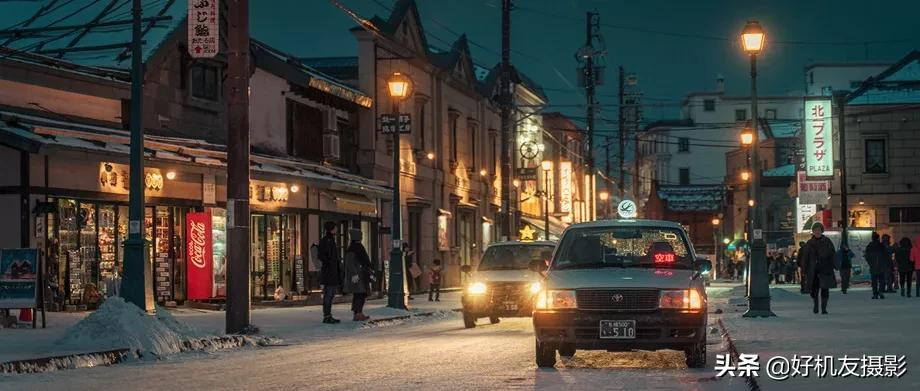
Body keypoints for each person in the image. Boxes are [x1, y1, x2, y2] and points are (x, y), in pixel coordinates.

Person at [802, 222, 836, 314]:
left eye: (819, 230)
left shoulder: (827, 242)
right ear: (813, 232)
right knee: (814, 290)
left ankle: (824, 308)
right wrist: (804, 269)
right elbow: (805, 257)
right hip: (814, 270)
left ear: (822, 231)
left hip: (825, 269)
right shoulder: (809, 243)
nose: (817, 232)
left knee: (825, 289)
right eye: (815, 230)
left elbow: (833, 254)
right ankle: (816, 306)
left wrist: (835, 265)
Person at [343, 228, 373, 321]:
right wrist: (354, 274)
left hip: (361, 274)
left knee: (360, 294)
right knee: (360, 294)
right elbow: (350, 263)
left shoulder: (357, 247)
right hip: (358, 275)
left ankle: (358, 312)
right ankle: (358, 313)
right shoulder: (354, 248)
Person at [318, 222, 342, 324]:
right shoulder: (327, 241)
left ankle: (328, 315)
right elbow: (323, 256)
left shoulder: (330, 240)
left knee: (330, 295)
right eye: (335, 228)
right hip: (329, 272)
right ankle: (327, 316)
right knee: (328, 294)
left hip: (331, 271)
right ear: (331, 229)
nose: (336, 230)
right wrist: (329, 264)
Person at [865, 232, 888, 300]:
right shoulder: (881, 246)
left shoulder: (870, 246)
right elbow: (886, 256)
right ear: (878, 238)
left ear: (872, 238)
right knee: (882, 280)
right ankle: (881, 292)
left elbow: (867, 256)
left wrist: (870, 263)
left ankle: (875, 294)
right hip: (881, 266)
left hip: (873, 266)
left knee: (874, 281)